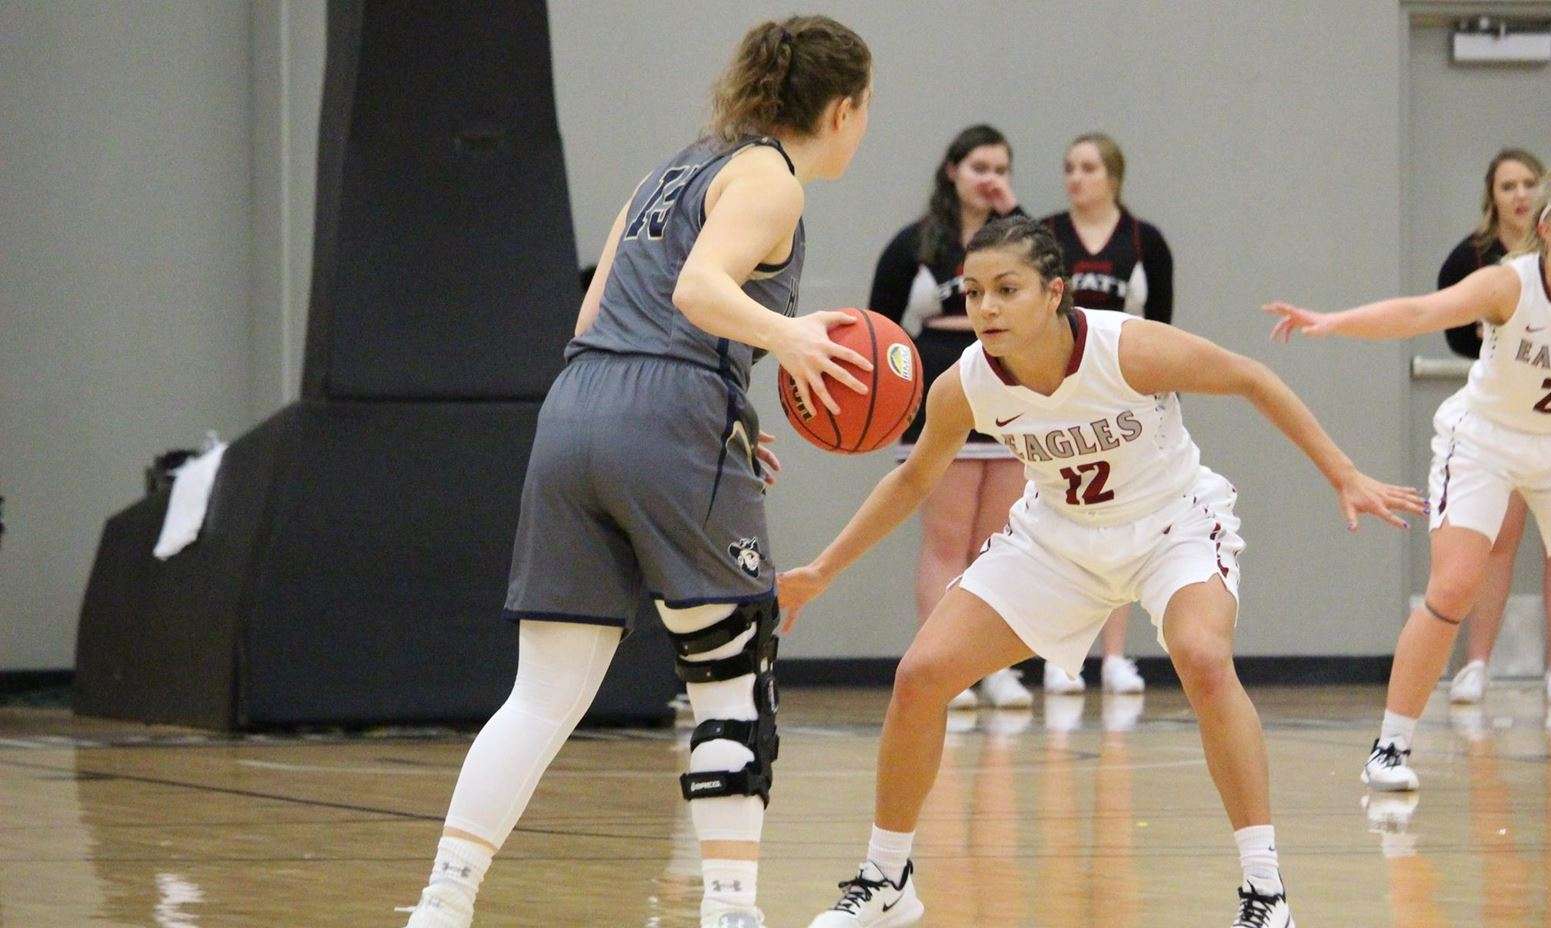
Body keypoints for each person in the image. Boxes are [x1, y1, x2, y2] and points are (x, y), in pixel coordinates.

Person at [783, 216, 1421, 927]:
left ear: (1055, 293)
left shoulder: (1126, 349)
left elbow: (1251, 377)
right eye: (973, 291)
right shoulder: (965, 385)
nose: (986, 307)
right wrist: (821, 569)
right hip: (1057, 542)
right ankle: (887, 878)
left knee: (1203, 657)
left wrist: (1344, 473)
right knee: (920, 676)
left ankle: (1265, 889)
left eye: (1006, 289)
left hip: (1171, 524)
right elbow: (910, 482)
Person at [397, 18, 872, 928]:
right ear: (843, 109)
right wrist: (783, 341)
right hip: (665, 415)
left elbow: (598, 308)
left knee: (539, 695)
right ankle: (733, 912)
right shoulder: (772, 177)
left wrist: (723, 396)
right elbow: (699, 291)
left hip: (578, 404)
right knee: (731, 676)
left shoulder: (671, 170)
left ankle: (441, 903)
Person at [1266, 169, 1551, 794]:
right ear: (1546, 229)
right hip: (1485, 444)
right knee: (1456, 583)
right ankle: (1391, 745)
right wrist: (1332, 321)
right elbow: (1420, 311)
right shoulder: (1508, 284)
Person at [1434, 149, 1551, 706]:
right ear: (1493, 196)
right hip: (1504, 416)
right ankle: (1477, 663)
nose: (1520, 194)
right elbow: (1449, 326)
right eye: (1508, 185)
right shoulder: (1475, 258)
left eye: (1529, 183)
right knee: (1497, 542)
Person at [870, 125, 1030, 709]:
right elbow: (877, 333)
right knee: (946, 542)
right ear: (952, 171)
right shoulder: (913, 245)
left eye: (1001, 168)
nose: (990, 178)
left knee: (1002, 542)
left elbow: (1051, 291)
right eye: (980, 166)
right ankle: (942, 667)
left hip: (1010, 391)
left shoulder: (1019, 238)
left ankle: (996, 667)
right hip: (942, 393)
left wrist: (1014, 216)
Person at [1038, 132, 1174, 696]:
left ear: (1113, 176)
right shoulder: (1044, 236)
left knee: (1124, 521)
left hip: (1123, 387)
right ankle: (1059, 654)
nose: (1076, 178)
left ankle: (1116, 656)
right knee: (1062, 521)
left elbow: (1162, 325)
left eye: (1088, 168)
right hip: (1061, 386)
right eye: (1069, 167)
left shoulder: (1144, 240)